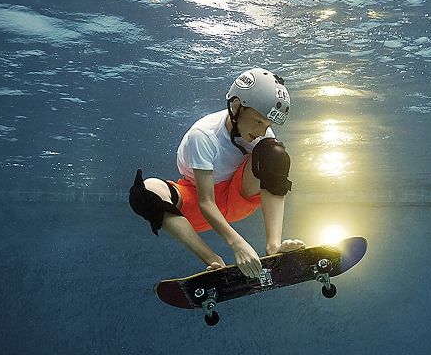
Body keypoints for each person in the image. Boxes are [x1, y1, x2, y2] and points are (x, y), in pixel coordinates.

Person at [129, 67, 306, 278]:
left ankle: (273, 246)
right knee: (144, 191)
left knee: (275, 153)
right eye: (259, 122)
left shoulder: (264, 135)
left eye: (267, 124)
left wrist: (272, 249)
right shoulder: (203, 135)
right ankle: (213, 260)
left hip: (239, 196)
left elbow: (271, 171)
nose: (261, 131)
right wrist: (237, 244)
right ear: (237, 105)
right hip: (199, 204)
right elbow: (206, 202)